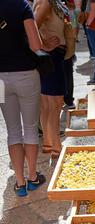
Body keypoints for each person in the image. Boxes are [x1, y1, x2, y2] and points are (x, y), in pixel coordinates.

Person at [0, 0, 46, 197]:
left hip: (1, 78)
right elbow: (36, 45)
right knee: (30, 127)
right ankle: (33, 176)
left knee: (12, 130)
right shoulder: (22, 6)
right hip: (26, 74)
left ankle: (19, 182)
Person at [34, 0, 68, 158]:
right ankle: (56, 148)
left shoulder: (51, 2)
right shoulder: (46, 2)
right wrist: (44, 44)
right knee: (55, 103)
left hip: (53, 56)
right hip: (51, 57)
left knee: (48, 104)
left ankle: (49, 146)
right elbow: (31, 26)